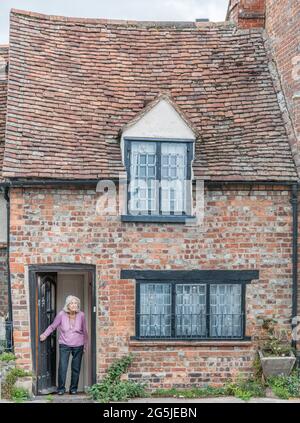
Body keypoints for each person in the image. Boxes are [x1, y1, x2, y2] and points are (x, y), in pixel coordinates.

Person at [40, 295, 88, 395]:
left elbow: (85, 331)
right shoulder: (61, 315)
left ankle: (73, 389)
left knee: (76, 367)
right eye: (72, 303)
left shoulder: (81, 315)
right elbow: (53, 326)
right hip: (64, 344)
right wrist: (45, 334)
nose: (74, 305)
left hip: (78, 344)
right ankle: (61, 389)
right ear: (68, 305)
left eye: (76, 303)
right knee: (63, 367)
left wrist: (85, 345)